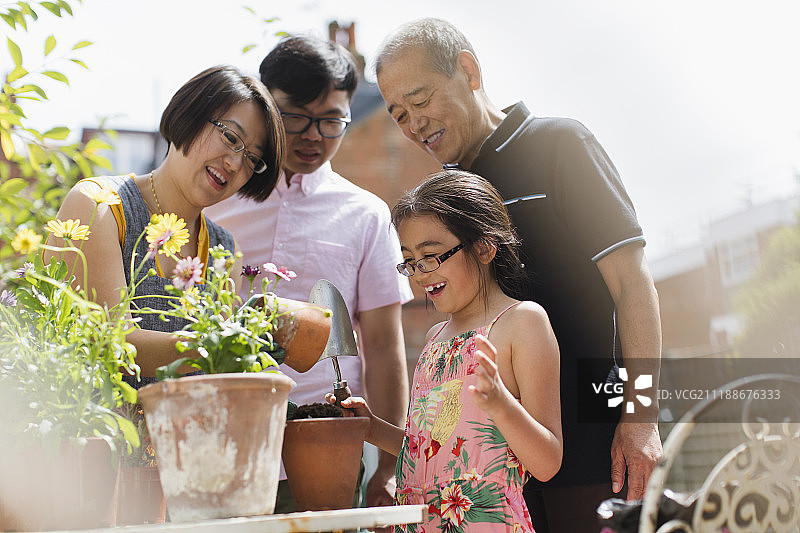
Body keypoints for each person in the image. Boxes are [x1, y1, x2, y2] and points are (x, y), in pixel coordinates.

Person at [374, 18, 663, 532]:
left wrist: (640, 417)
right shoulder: (445, 196)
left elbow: (633, 283)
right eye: (399, 114)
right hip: (492, 473)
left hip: (592, 445)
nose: (414, 124)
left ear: (469, 70)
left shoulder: (560, 146)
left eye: (421, 101)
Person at [205, 36, 413, 513]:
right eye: (295, 115)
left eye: (332, 120)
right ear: (263, 104)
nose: (313, 135)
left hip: (328, 448)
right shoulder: (216, 195)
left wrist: (388, 466)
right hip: (221, 443)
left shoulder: (366, 214)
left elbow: (382, 345)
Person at [329, 170, 562, 532]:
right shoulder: (436, 337)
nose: (420, 274)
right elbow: (429, 449)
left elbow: (547, 461)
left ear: (484, 247)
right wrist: (371, 427)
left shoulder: (522, 321)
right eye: (409, 261)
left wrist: (500, 402)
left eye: (431, 256)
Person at [43, 65, 285, 379]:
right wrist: (227, 347)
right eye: (230, 137)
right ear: (190, 116)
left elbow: (214, 384)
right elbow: (109, 345)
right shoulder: (99, 205)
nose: (235, 163)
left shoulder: (225, 252)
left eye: (252, 158)